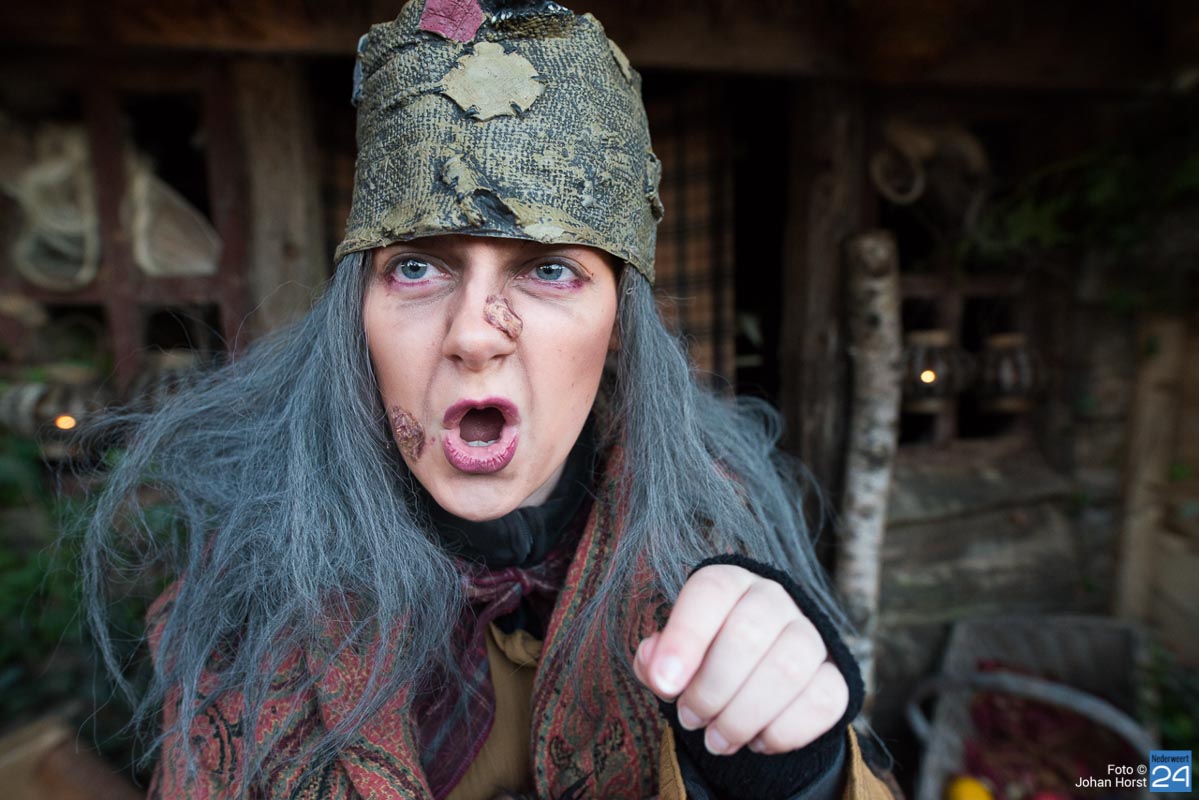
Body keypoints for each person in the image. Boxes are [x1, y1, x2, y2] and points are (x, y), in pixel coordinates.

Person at [82, 2, 898, 798]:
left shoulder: (714, 543)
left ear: (617, 324)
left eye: (549, 269)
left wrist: (797, 775)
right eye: (415, 267)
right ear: (357, 314)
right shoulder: (249, 596)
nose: (475, 334)